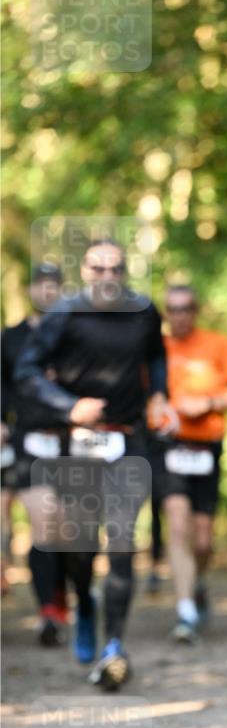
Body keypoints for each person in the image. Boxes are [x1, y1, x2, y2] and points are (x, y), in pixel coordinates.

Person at [15, 239, 174, 689]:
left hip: (127, 442)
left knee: (122, 543)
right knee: (80, 547)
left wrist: (159, 393)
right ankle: (84, 599)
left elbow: (156, 354)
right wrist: (69, 407)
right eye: (97, 268)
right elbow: (27, 372)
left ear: (125, 273)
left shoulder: (143, 311)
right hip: (78, 446)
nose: (107, 277)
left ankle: (114, 646)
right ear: (84, 271)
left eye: (115, 269)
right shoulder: (64, 314)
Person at [151, 284, 227, 642]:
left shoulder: (217, 345)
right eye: (172, 309)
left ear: (195, 311)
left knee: (203, 541)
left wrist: (209, 403)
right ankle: (185, 613)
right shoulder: (156, 350)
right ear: (166, 313)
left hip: (206, 449)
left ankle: (195, 584)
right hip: (169, 446)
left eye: (186, 308)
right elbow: (138, 396)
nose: (179, 315)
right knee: (177, 526)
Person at [1, 262, 68, 644]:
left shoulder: (70, 334)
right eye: (40, 285)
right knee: (42, 522)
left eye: (53, 285)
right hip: (27, 440)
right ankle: (47, 611)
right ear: (29, 290)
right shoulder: (10, 337)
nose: (47, 291)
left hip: (68, 441)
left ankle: (61, 594)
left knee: (64, 528)